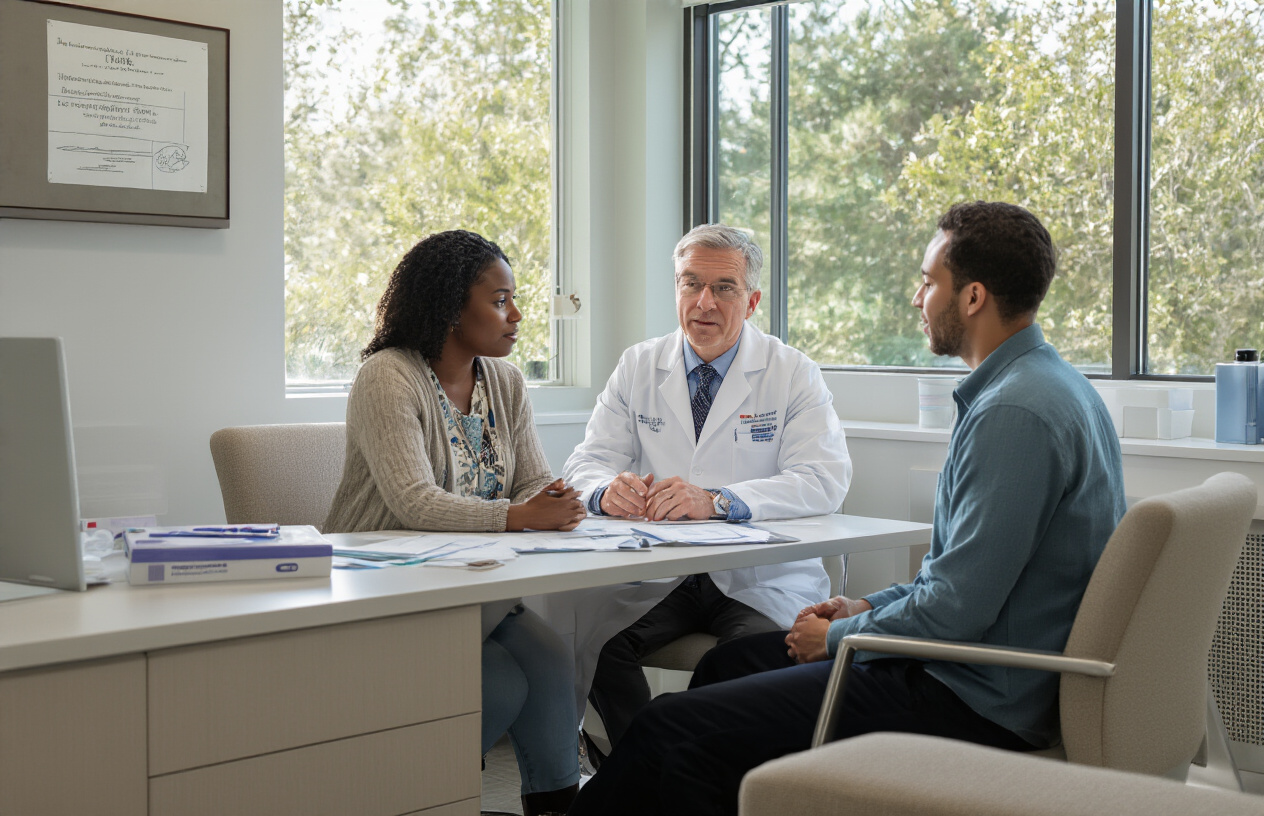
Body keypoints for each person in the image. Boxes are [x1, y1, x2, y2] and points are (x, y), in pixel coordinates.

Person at [567, 201, 1126, 816]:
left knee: (669, 727)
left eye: (928, 280)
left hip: (971, 693)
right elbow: (965, 582)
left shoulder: (1012, 414)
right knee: (727, 669)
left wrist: (840, 637)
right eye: (691, 285)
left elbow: (956, 612)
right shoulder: (1047, 387)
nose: (918, 298)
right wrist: (867, 605)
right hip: (980, 666)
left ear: (971, 297)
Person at [561, 223, 852, 758]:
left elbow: (823, 480)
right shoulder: (639, 365)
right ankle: (643, 767)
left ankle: (698, 768)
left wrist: (718, 502)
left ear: (753, 299)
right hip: (662, 569)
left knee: (747, 657)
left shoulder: (791, 373)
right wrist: (606, 491)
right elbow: (588, 461)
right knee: (591, 639)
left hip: (760, 572)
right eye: (690, 284)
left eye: (724, 288)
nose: (704, 303)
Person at [323, 229, 584, 816]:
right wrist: (521, 516)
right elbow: (414, 501)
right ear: (447, 308)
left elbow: (530, 480)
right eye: (499, 301)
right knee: (502, 682)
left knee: (548, 657)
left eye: (514, 299)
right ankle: (414, 794)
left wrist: (561, 498)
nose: (516, 315)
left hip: (472, 583)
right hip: (383, 587)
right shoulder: (387, 376)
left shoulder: (507, 382)